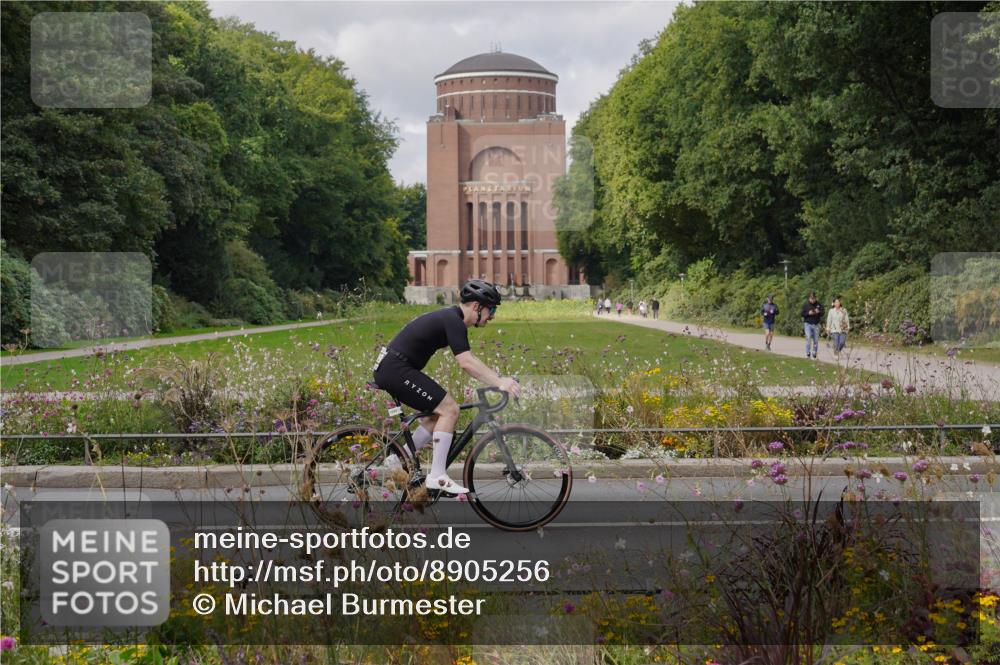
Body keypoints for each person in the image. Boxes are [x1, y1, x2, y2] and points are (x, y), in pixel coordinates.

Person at [372, 279, 521, 495]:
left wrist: (497, 379)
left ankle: (398, 459)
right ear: (477, 307)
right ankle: (437, 477)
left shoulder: (452, 318)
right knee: (450, 409)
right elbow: (466, 362)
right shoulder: (454, 320)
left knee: (435, 416)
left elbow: (466, 360)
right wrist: (500, 382)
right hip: (395, 368)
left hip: (393, 367)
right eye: (492, 309)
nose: (493, 316)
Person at [800, 292, 824, 359]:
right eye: (811, 298)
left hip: (816, 324)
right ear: (809, 298)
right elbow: (802, 313)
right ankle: (808, 352)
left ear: (815, 298)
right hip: (808, 324)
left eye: (814, 298)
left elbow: (823, 312)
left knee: (816, 340)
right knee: (808, 338)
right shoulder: (805, 305)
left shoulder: (819, 304)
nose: (813, 300)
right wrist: (808, 313)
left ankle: (814, 352)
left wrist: (818, 311)